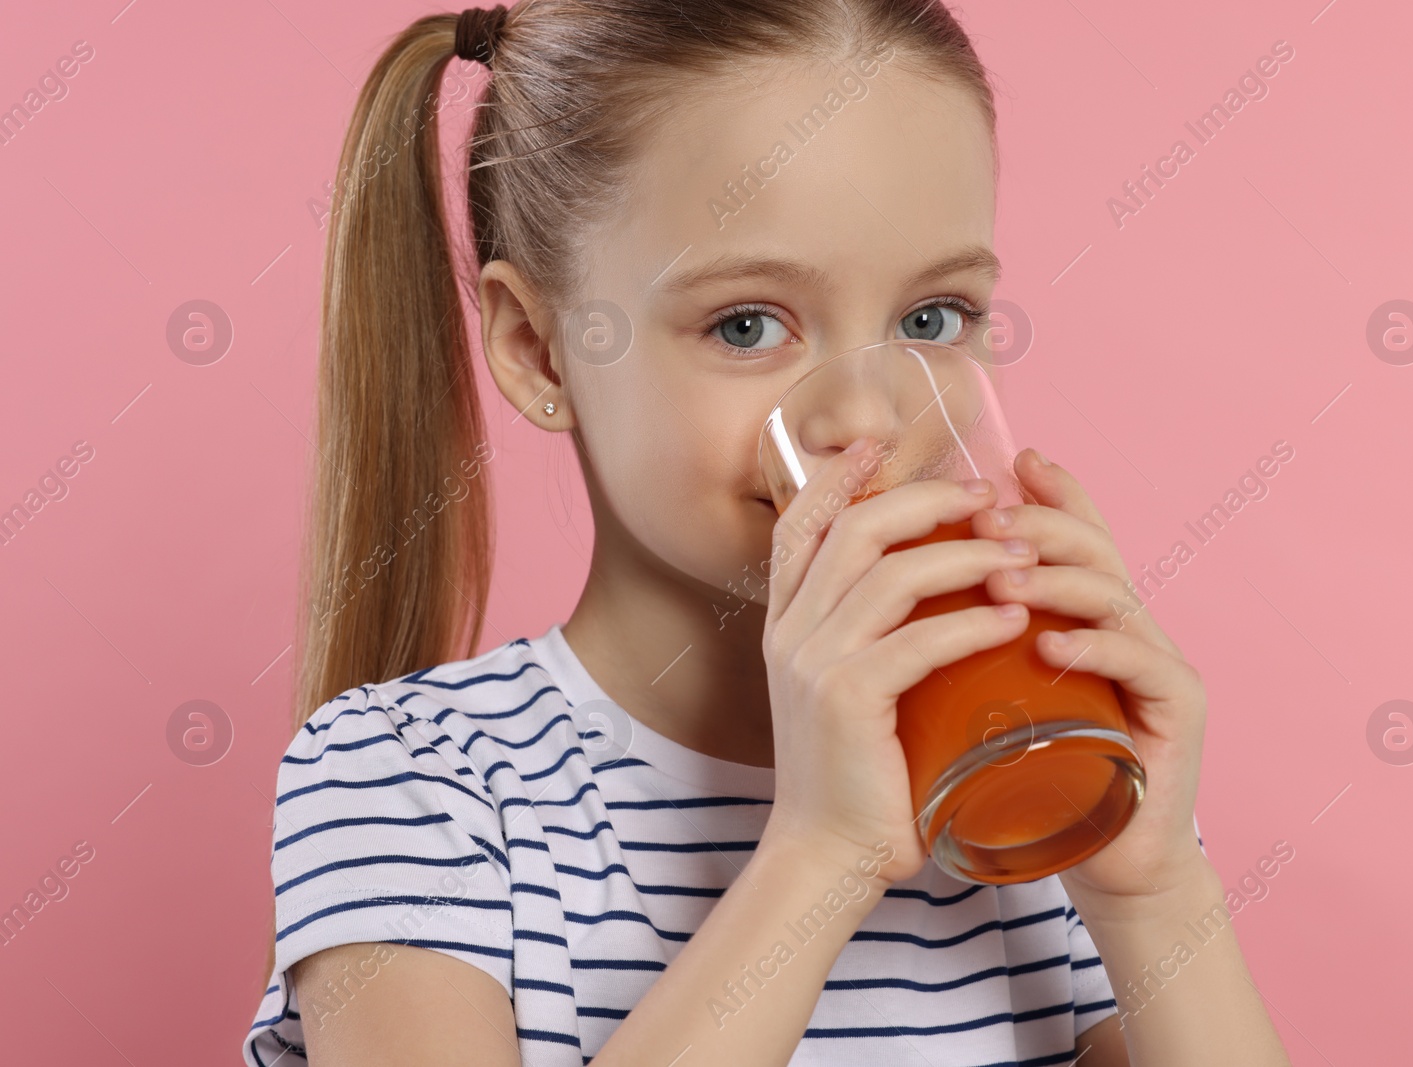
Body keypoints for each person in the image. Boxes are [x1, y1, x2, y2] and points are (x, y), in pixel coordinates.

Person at [243, 2, 1291, 1063]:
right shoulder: (415, 783)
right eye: (747, 324)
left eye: (932, 319)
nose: (868, 417)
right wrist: (820, 854)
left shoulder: (1037, 770)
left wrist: (1157, 896)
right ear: (539, 351)